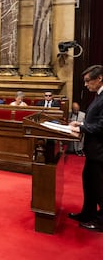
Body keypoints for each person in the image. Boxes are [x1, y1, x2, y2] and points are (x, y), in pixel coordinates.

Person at [68, 65, 103, 232]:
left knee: (100, 187)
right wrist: (81, 123)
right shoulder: (98, 95)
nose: (86, 85)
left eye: (88, 81)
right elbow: (94, 121)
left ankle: (101, 221)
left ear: (99, 78)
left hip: (100, 152)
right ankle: (87, 213)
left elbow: (102, 126)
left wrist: (81, 128)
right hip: (93, 151)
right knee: (89, 184)